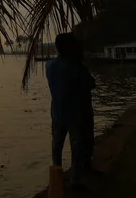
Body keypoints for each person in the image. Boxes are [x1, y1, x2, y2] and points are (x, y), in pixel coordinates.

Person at [45, 32, 96, 190]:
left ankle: (56, 177)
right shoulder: (75, 67)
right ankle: (75, 179)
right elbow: (90, 84)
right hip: (76, 113)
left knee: (57, 146)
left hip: (57, 112)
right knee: (77, 146)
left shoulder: (49, 65)